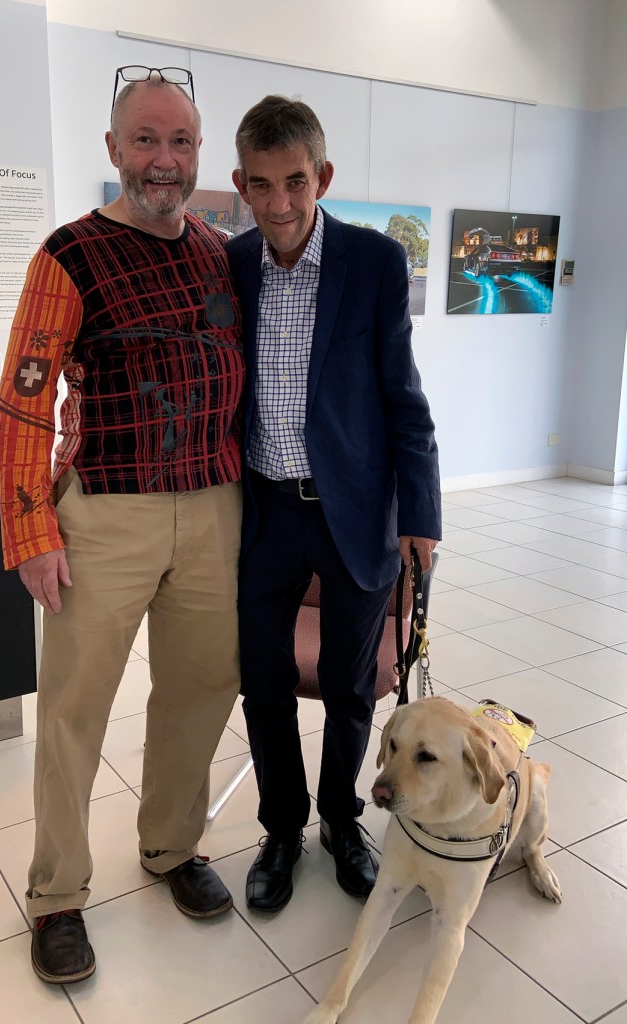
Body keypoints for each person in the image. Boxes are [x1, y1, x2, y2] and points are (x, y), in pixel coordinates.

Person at [0, 69, 245, 984]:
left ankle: (172, 847)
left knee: (199, 691)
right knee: (72, 713)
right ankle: (58, 894)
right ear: (112, 151)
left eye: (179, 141)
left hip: (216, 508)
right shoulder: (69, 255)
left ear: (198, 151)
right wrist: (31, 532)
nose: (163, 160)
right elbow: (23, 403)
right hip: (102, 513)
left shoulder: (221, 254)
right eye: (145, 140)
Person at [227, 95, 441, 913]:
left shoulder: (375, 264)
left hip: (356, 516)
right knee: (265, 683)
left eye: (294, 183)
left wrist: (421, 514)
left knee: (353, 687)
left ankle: (341, 821)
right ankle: (280, 829)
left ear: (322, 176)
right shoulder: (232, 264)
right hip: (264, 516)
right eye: (261, 185)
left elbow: (404, 403)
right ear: (240, 184)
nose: (279, 205)